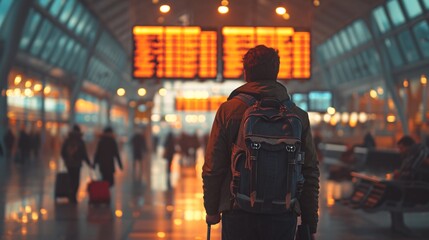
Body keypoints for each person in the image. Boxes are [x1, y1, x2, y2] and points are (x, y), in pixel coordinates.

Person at [202, 45, 320, 240]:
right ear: (276, 72)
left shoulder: (229, 110)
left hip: (238, 210)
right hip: (283, 213)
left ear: (246, 72)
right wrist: (309, 220)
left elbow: (213, 167)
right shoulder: (298, 115)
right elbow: (309, 171)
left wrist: (212, 209)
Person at [389, 135, 429, 235]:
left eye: (401, 148)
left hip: (418, 189)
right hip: (413, 186)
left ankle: (398, 225)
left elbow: (412, 172)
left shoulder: (417, 154)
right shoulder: (413, 154)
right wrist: (400, 173)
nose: (400, 150)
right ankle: (398, 225)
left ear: (407, 146)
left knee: (394, 196)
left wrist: (399, 174)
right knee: (392, 196)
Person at [60, 124, 92, 203]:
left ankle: (70, 194)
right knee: (76, 180)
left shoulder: (67, 140)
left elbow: (62, 152)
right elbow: (84, 154)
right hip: (77, 164)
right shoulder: (80, 141)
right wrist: (89, 164)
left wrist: (66, 159)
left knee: (70, 179)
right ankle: (73, 195)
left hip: (69, 164)